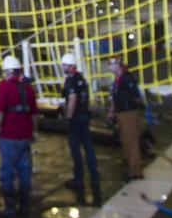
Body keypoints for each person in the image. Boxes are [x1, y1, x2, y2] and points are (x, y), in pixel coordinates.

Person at [0, 55, 36, 217]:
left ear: (7, 72)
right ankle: (24, 205)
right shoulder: (28, 89)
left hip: (9, 137)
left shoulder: (4, 87)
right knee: (25, 171)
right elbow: (33, 116)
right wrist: (33, 133)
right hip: (25, 137)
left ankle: (10, 207)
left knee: (8, 172)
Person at [60, 53, 102, 204]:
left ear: (68, 65)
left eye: (64, 65)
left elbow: (72, 99)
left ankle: (79, 179)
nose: (63, 67)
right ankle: (94, 178)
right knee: (89, 149)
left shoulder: (71, 81)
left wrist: (68, 118)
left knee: (76, 150)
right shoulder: (81, 79)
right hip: (84, 117)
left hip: (76, 119)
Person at [108, 57, 145, 180]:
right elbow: (114, 96)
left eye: (112, 64)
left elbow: (136, 96)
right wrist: (112, 112)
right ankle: (129, 162)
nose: (110, 67)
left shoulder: (127, 78)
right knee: (125, 139)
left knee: (131, 140)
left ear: (119, 65)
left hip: (128, 112)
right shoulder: (118, 80)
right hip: (121, 112)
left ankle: (136, 170)